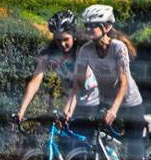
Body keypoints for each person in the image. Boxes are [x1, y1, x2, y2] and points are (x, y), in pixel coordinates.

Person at [64, 4, 151, 160]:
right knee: (103, 155)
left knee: (134, 155)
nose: (90, 29)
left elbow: (124, 82)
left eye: (95, 25)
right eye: (88, 25)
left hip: (129, 104)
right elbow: (78, 84)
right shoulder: (85, 51)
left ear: (107, 27)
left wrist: (114, 109)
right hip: (105, 103)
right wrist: (68, 109)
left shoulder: (118, 48)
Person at [15, 9, 99, 148]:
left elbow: (78, 84)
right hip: (74, 103)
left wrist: (67, 110)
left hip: (95, 102)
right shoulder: (50, 53)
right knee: (68, 147)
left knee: (89, 148)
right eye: (58, 40)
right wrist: (21, 112)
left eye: (66, 39)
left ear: (74, 35)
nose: (62, 44)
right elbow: (35, 81)